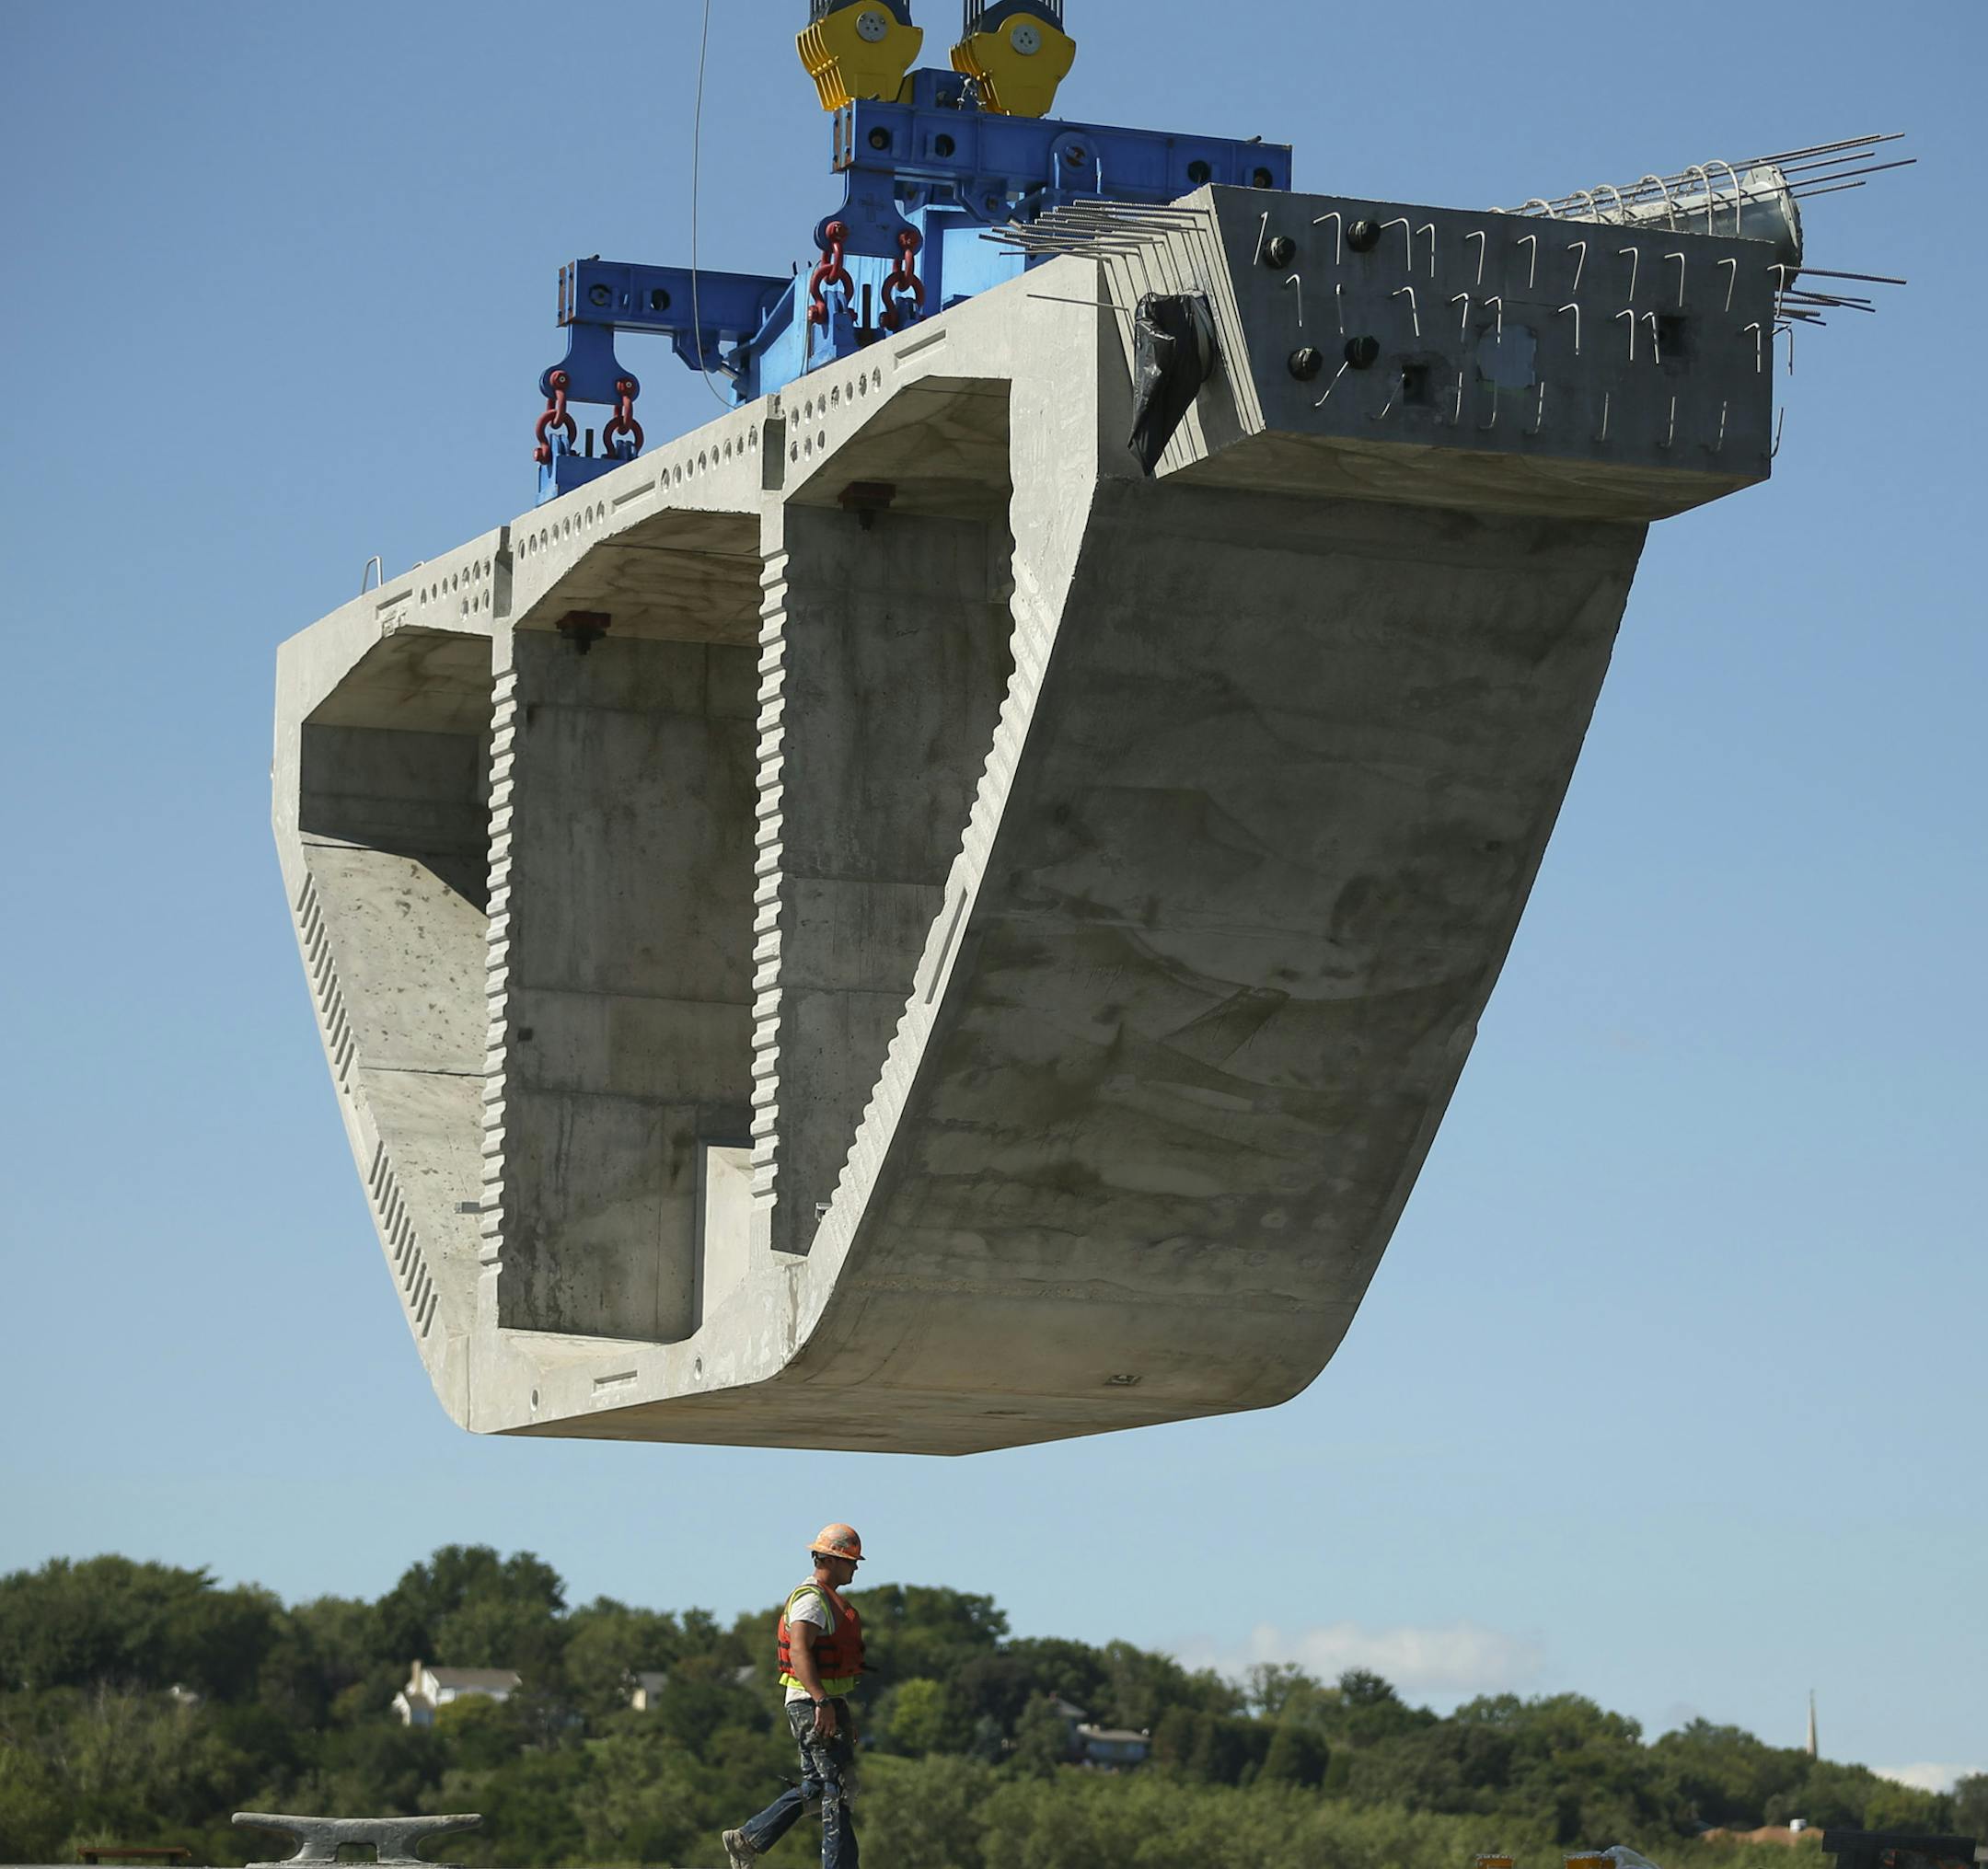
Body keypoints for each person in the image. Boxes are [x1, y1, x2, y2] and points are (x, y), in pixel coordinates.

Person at [722, 1523, 866, 1869]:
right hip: (809, 1704)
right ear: (830, 1560)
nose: (856, 1567)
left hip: (817, 1703)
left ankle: (747, 1840)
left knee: (817, 1786)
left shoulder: (824, 1599)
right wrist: (820, 1702)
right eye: (851, 1560)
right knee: (837, 1788)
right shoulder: (812, 1601)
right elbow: (800, 1652)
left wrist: (838, 1708)